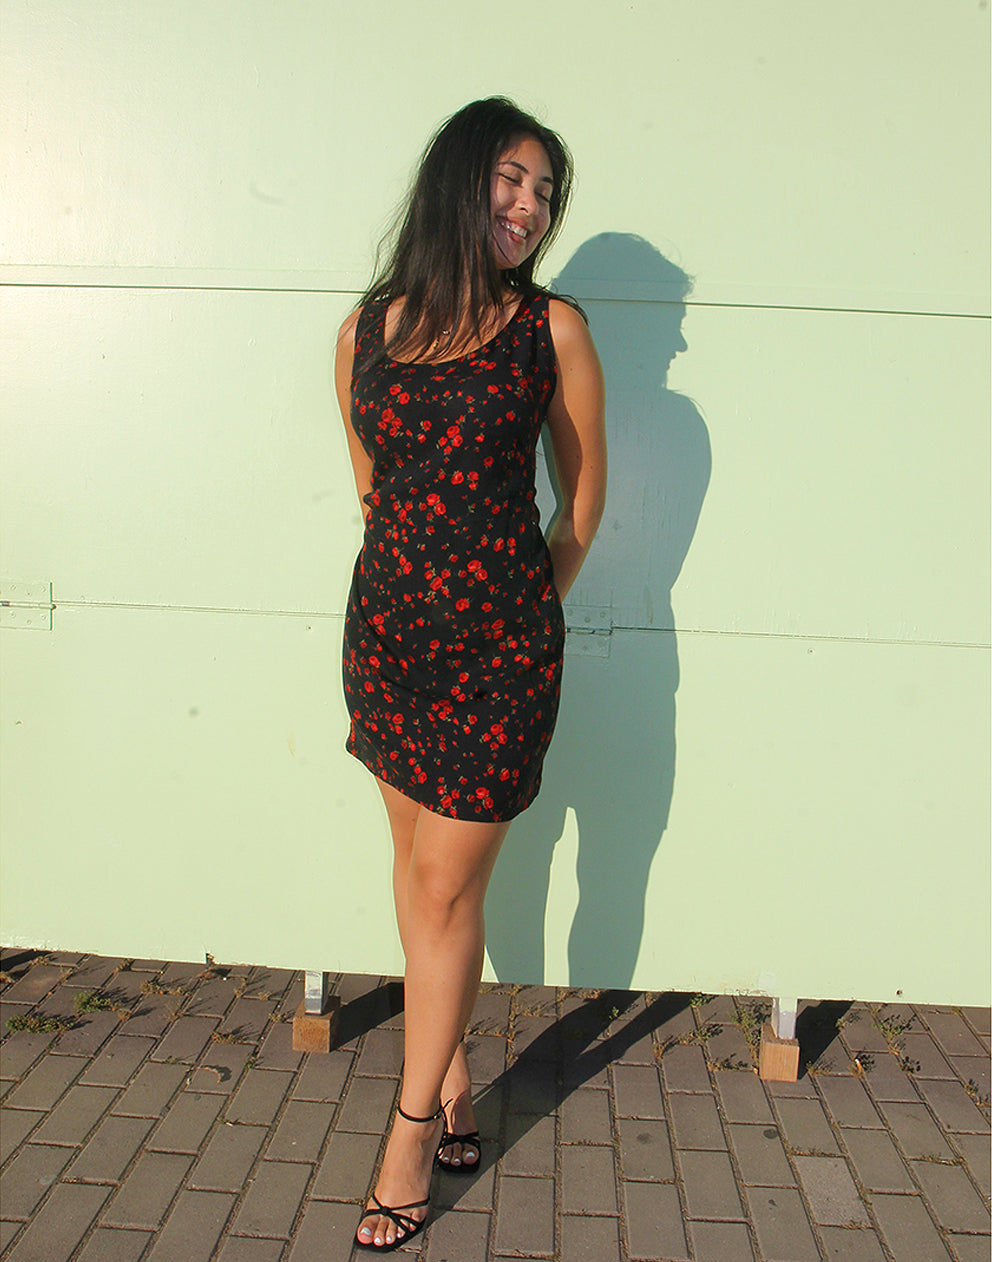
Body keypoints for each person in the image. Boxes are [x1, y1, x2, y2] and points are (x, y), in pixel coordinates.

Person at [334, 96, 606, 1252]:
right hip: (386, 646)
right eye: (511, 178)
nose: (528, 206)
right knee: (417, 874)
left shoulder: (552, 329)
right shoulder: (366, 330)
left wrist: (515, 607)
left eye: (543, 190)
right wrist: (416, 588)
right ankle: (448, 1080)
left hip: (497, 660)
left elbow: (579, 506)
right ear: (458, 180)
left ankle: (406, 1136)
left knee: (443, 891)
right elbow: (373, 489)